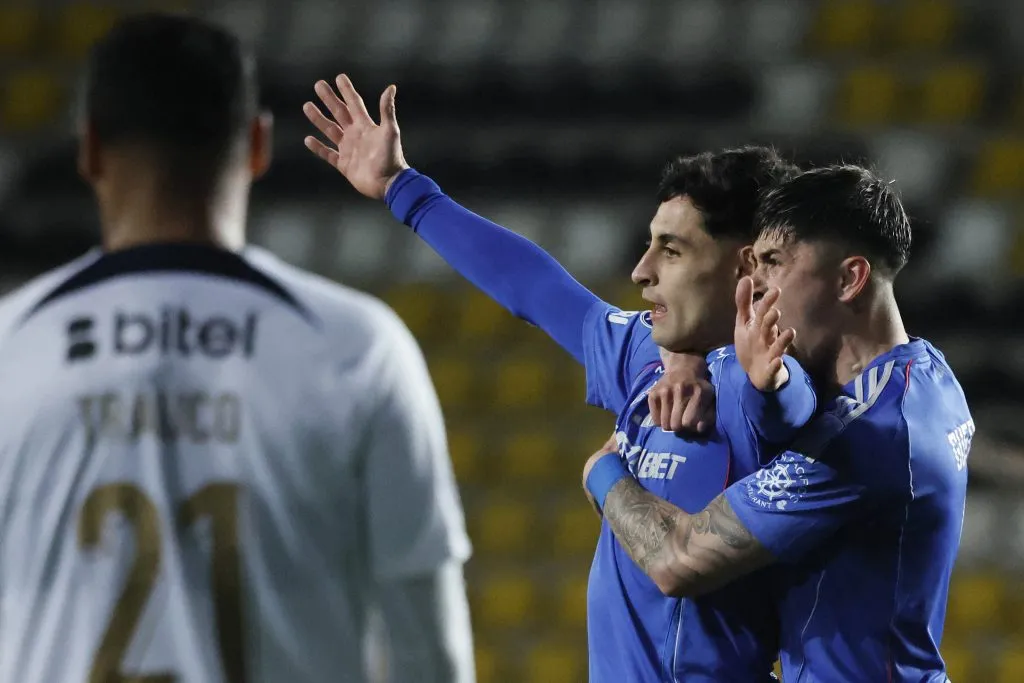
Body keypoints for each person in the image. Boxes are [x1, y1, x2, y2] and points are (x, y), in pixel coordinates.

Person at [0, 14, 474, 683]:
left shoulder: (11, 346)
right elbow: (430, 653)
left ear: (91, 151)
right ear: (257, 144)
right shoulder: (356, 349)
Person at [303, 74, 818, 682]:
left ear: (744, 267)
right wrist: (401, 188)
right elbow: (533, 286)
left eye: (671, 251)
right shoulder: (642, 357)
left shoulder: (774, 381)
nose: (640, 271)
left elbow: (788, 402)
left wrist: (721, 379)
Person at [586, 165, 972, 682]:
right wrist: (689, 360)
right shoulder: (929, 377)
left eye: (773, 263)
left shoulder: (863, 439)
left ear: (848, 279)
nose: (754, 285)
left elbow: (677, 560)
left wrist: (604, 471)